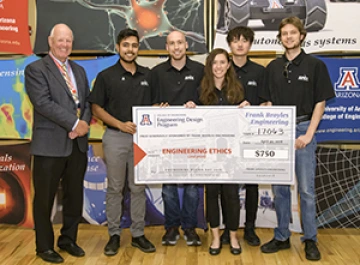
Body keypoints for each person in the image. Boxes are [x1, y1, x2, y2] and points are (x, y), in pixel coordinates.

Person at [259, 16, 335, 261]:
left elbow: (320, 103)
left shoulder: (315, 66)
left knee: (306, 191)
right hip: (278, 131)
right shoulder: (272, 67)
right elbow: (267, 101)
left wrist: (308, 134)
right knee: (280, 189)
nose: (289, 37)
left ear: (301, 36)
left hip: (304, 129)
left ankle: (310, 239)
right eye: (284, 34)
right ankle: (281, 236)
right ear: (280, 38)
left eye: (293, 33)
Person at [25, 23, 91, 264]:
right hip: (49, 146)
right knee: (44, 198)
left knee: (74, 196)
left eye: (68, 41)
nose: (64, 45)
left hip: (77, 146)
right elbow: (43, 103)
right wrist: (74, 125)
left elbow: (87, 103)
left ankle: (68, 240)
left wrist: (82, 124)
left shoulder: (80, 71)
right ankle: (44, 247)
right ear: (50, 42)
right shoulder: (35, 69)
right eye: (60, 40)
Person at [89, 28, 155, 255]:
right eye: (126, 45)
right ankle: (114, 235)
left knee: (138, 188)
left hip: (141, 140)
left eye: (134, 45)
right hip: (115, 137)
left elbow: (155, 106)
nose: (130, 49)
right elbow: (96, 107)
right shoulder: (106, 76)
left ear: (138, 48)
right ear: (118, 47)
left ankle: (138, 234)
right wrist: (120, 124)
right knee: (115, 188)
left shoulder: (148, 75)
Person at [186, 48, 248, 255]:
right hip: (210, 154)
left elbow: (246, 122)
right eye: (215, 63)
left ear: (228, 65)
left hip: (231, 154)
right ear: (209, 66)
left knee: (231, 196)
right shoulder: (201, 90)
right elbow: (195, 120)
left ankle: (232, 236)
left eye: (222, 62)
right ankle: (214, 237)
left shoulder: (237, 90)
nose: (219, 67)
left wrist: (247, 108)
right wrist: (191, 107)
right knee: (211, 194)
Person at [150, 30, 204, 246]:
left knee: (192, 188)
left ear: (186, 44)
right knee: (169, 187)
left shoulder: (201, 70)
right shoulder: (156, 73)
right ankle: (171, 228)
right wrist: (157, 108)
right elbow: (150, 104)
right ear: (167, 47)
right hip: (166, 140)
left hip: (194, 139)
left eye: (180, 42)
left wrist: (197, 106)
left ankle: (190, 228)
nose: (176, 47)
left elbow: (208, 101)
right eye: (172, 43)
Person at [219, 26, 270, 247]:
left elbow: (267, 104)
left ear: (250, 44)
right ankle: (227, 228)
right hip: (226, 138)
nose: (240, 44)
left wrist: (256, 108)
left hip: (251, 138)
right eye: (235, 40)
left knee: (251, 185)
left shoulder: (260, 72)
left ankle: (250, 228)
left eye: (244, 40)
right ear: (229, 44)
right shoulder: (221, 69)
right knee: (226, 186)